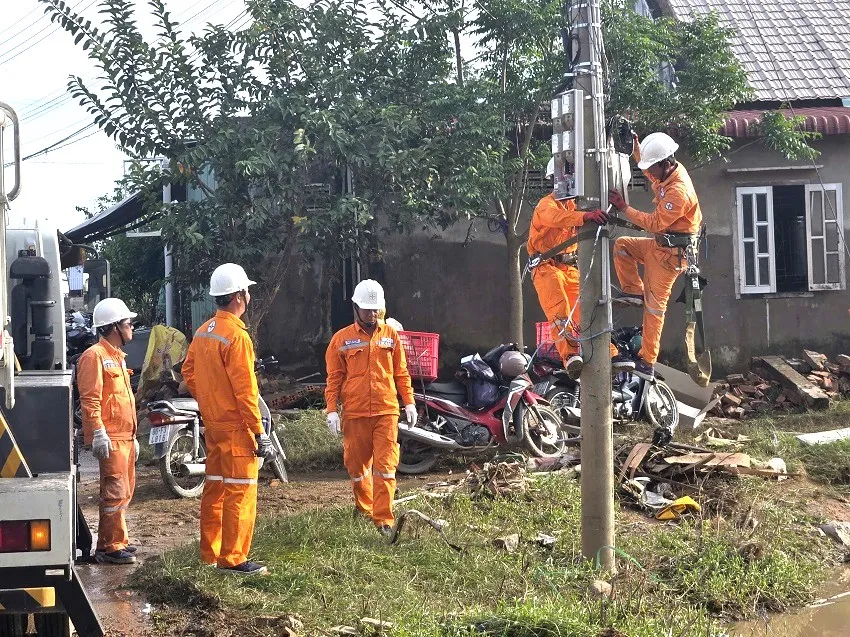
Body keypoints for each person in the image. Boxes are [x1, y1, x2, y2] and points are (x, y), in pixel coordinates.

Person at [182, 263, 275, 576]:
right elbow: (246, 392)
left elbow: (189, 373)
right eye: (246, 291)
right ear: (239, 296)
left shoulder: (203, 332)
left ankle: (211, 553)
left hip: (214, 425)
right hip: (236, 428)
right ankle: (233, 559)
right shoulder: (236, 336)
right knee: (240, 491)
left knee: (216, 490)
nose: (248, 296)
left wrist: (211, 399)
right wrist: (259, 432)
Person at [324, 279, 416, 537]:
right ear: (355, 307)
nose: (372, 314)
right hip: (355, 413)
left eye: (375, 309)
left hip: (387, 410)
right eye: (367, 309)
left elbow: (401, 372)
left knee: (386, 466)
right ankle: (365, 508)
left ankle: (384, 519)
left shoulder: (391, 336)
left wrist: (408, 402)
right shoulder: (341, 340)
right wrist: (331, 409)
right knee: (357, 466)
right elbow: (334, 378)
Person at [609, 132, 703, 378]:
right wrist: (638, 151)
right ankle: (633, 290)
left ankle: (648, 360)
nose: (649, 172)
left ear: (665, 163)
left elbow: (654, 223)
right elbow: (649, 170)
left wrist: (624, 209)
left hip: (670, 256)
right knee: (622, 246)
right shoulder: (665, 171)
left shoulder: (678, 191)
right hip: (659, 246)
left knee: (654, 309)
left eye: (652, 166)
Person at [528, 158, 631, 378]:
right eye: (563, 178)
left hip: (569, 267)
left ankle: (610, 352)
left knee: (588, 309)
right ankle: (570, 355)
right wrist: (585, 216)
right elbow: (557, 219)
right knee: (560, 309)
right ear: (554, 181)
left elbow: (578, 216)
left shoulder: (576, 206)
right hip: (546, 267)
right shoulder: (546, 205)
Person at [77, 298, 138, 565]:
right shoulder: (94, 357)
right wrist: (98, 432)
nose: (131, 328)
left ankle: (116, 540)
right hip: (111, 437)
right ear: (115, 327)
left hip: (125, 436)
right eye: (128, 323)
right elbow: (90, 399)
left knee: (124, 492)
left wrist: (133, 435)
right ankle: (109, 547)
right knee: (114, 493)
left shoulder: (118, 358)